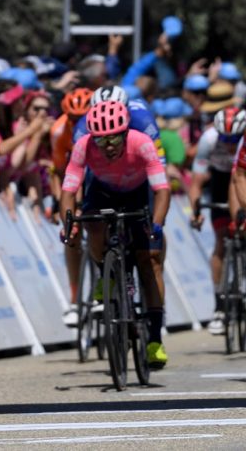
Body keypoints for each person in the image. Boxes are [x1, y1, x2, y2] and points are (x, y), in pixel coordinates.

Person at [60, 101, 171, 369]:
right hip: (103, 190)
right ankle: (104, 271)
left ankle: (154, 339)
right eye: (101, 140)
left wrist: (156, 225)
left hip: (138, 192)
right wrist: (69, 223)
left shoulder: (142, 142)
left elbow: (162, 190)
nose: (108, 145)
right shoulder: (83, 145)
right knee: (92, 226)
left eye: (113, 138)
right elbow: (69, 188)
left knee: (150, 259)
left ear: (124, 132)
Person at [189, 106, 246, 335]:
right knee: (221, 240)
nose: (230, 143)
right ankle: (219, 305)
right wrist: (195, 211)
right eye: (225, 138)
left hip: (243, 178)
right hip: (221, 181)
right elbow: (196, 182)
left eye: (235, 138)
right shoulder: (208, 140)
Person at [48, 87, 93, 327]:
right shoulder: (58, 130)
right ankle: (75, 300)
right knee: (71, 235)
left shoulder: (99, 127)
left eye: (82, 118)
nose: (78, 123)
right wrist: (59, 204)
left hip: (95, 177)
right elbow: (58, 172)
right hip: (71, 178)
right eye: (73, 119)